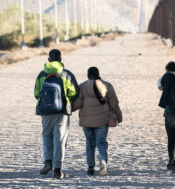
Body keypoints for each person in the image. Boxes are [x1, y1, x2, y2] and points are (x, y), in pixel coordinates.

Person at [34, 49, 79, 179]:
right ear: (60, 60)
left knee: (47, 135)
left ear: (48, 60)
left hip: (45, 111)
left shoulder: (41, 74)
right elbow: (75, 92)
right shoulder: (66, 74)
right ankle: (57, 169)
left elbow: (36, 93)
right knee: (60, 138)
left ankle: (48, 162)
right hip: (62, 111)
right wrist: (66, 100)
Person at [73, 67, 122, 176]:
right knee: (101, 143)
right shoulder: (107, 86)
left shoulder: (82, 87)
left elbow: (77, 104)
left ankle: (90, 167)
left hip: (86, 121)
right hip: (102, 120)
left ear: (88, 75)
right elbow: (114, 104)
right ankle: (103, 161)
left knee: (89, 143)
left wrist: (67, 110)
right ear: (98, 74)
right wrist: (119, 117)